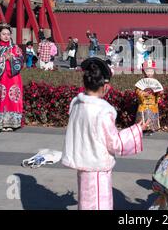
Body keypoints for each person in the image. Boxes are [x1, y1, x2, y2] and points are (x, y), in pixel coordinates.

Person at [61, 57, 150, 210]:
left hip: (83, 165)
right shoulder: (103, 111)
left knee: (85, 203)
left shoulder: (76, 103)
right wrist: (137, 129)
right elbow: (115, 143)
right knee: (98, 205)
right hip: (97, 168)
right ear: (105, 85)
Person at [0, 22, 24, 132]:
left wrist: (12, 59)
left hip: (13, 78)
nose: (6, 36)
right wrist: (2, 59)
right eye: (3, 34)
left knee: (12, 99)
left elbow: (21, 61)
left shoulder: (15, 48)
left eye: (8, 34)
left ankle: (12, 123)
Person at [135, 59, 163, 136]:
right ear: (143, 72)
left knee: (152, 113)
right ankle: (142, 128)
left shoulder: (155, 82)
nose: (149, 73)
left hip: (152, 102)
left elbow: (159, 92)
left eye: (151, 71)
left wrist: (159, 93)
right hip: (143, 102)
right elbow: (137, 91)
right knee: (143, 114)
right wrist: (143, 94)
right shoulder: (141, 82)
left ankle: (152, 128)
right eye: (147, 71)